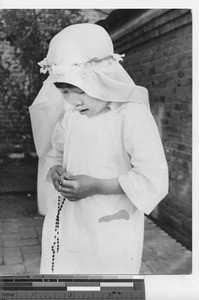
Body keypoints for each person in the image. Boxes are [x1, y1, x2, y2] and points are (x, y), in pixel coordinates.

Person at [29, 23, 168, 274]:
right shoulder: (71, 116)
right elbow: (54, 152)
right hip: (69, 222)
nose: (73, 101)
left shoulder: (130, 114)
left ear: (102, 79)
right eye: (64, 92)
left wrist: (95, 186)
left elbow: (153, 178)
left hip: (111, 227)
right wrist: (56, 169)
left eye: (79, 91)